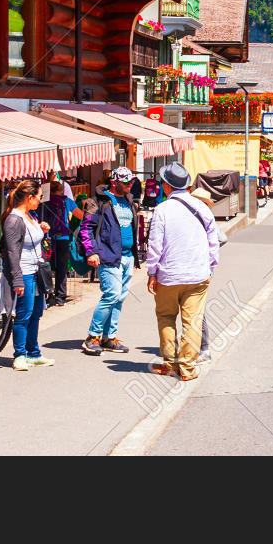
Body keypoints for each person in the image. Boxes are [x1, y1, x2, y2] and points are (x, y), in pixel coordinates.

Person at [144, 163, 219, 381]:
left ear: (166, 186)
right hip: (198, 274)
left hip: (169, 275)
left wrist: (151, 272)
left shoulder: (162, 210)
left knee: (166, 317)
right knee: (193, 320)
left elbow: (155, 245)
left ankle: (170, 364)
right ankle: (187, 368)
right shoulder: (202, 207)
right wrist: (210, 266)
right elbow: (213, 242)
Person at [79, 169, 141, 357]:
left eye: (131, 182)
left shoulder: (129, 201)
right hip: (107, 256)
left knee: (119, 298)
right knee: (111, 294)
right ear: (115, 182)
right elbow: (86, 228)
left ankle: (109, 337)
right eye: (126, 182)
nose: (130, 185)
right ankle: (93, 337)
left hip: (127, 257)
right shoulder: (98, 201)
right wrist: (91, 251)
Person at [1, 181, 53, 370]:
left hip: (37, 272)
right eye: (39, 197)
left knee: (36, 313)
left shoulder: (29, 216)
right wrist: (17, 279)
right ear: (29, 198)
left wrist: (42, 230)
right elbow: (12, 252)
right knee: (24, 314)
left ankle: (34, 353)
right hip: (25, 273)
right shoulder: (14, 220)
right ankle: (20, 355)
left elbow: (29, 241)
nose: (40, 201)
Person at [41, 180, 73, 306]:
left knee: (46, 267)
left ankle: (47, 293)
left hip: (47, 238)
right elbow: (80, 215)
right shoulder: (66, 201)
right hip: (63, 238)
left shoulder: (44, 202)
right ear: (61, 190)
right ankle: (60, 296)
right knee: (62, 268)